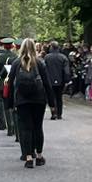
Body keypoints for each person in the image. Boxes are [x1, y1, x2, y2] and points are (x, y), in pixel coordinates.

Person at [9, 38, 52, 168]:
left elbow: (10, 83)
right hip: (38, 100)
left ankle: (28, 157)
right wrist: (52, 103)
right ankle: (39, 156)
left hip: (22, 100)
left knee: (26, 128)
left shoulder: (16, 63)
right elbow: (46, 84)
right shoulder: (39, 63)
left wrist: (10, 103)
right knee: (38, 128)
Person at [43, 41, 71, 120]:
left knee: (51, 97)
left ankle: (53, 112)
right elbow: (66, 70)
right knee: (59, 97)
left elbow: (44, 69)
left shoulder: (47, 57)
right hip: (60, 80)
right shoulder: (63, 57)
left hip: (49, 80)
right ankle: (59, 114)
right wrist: (67, 80)